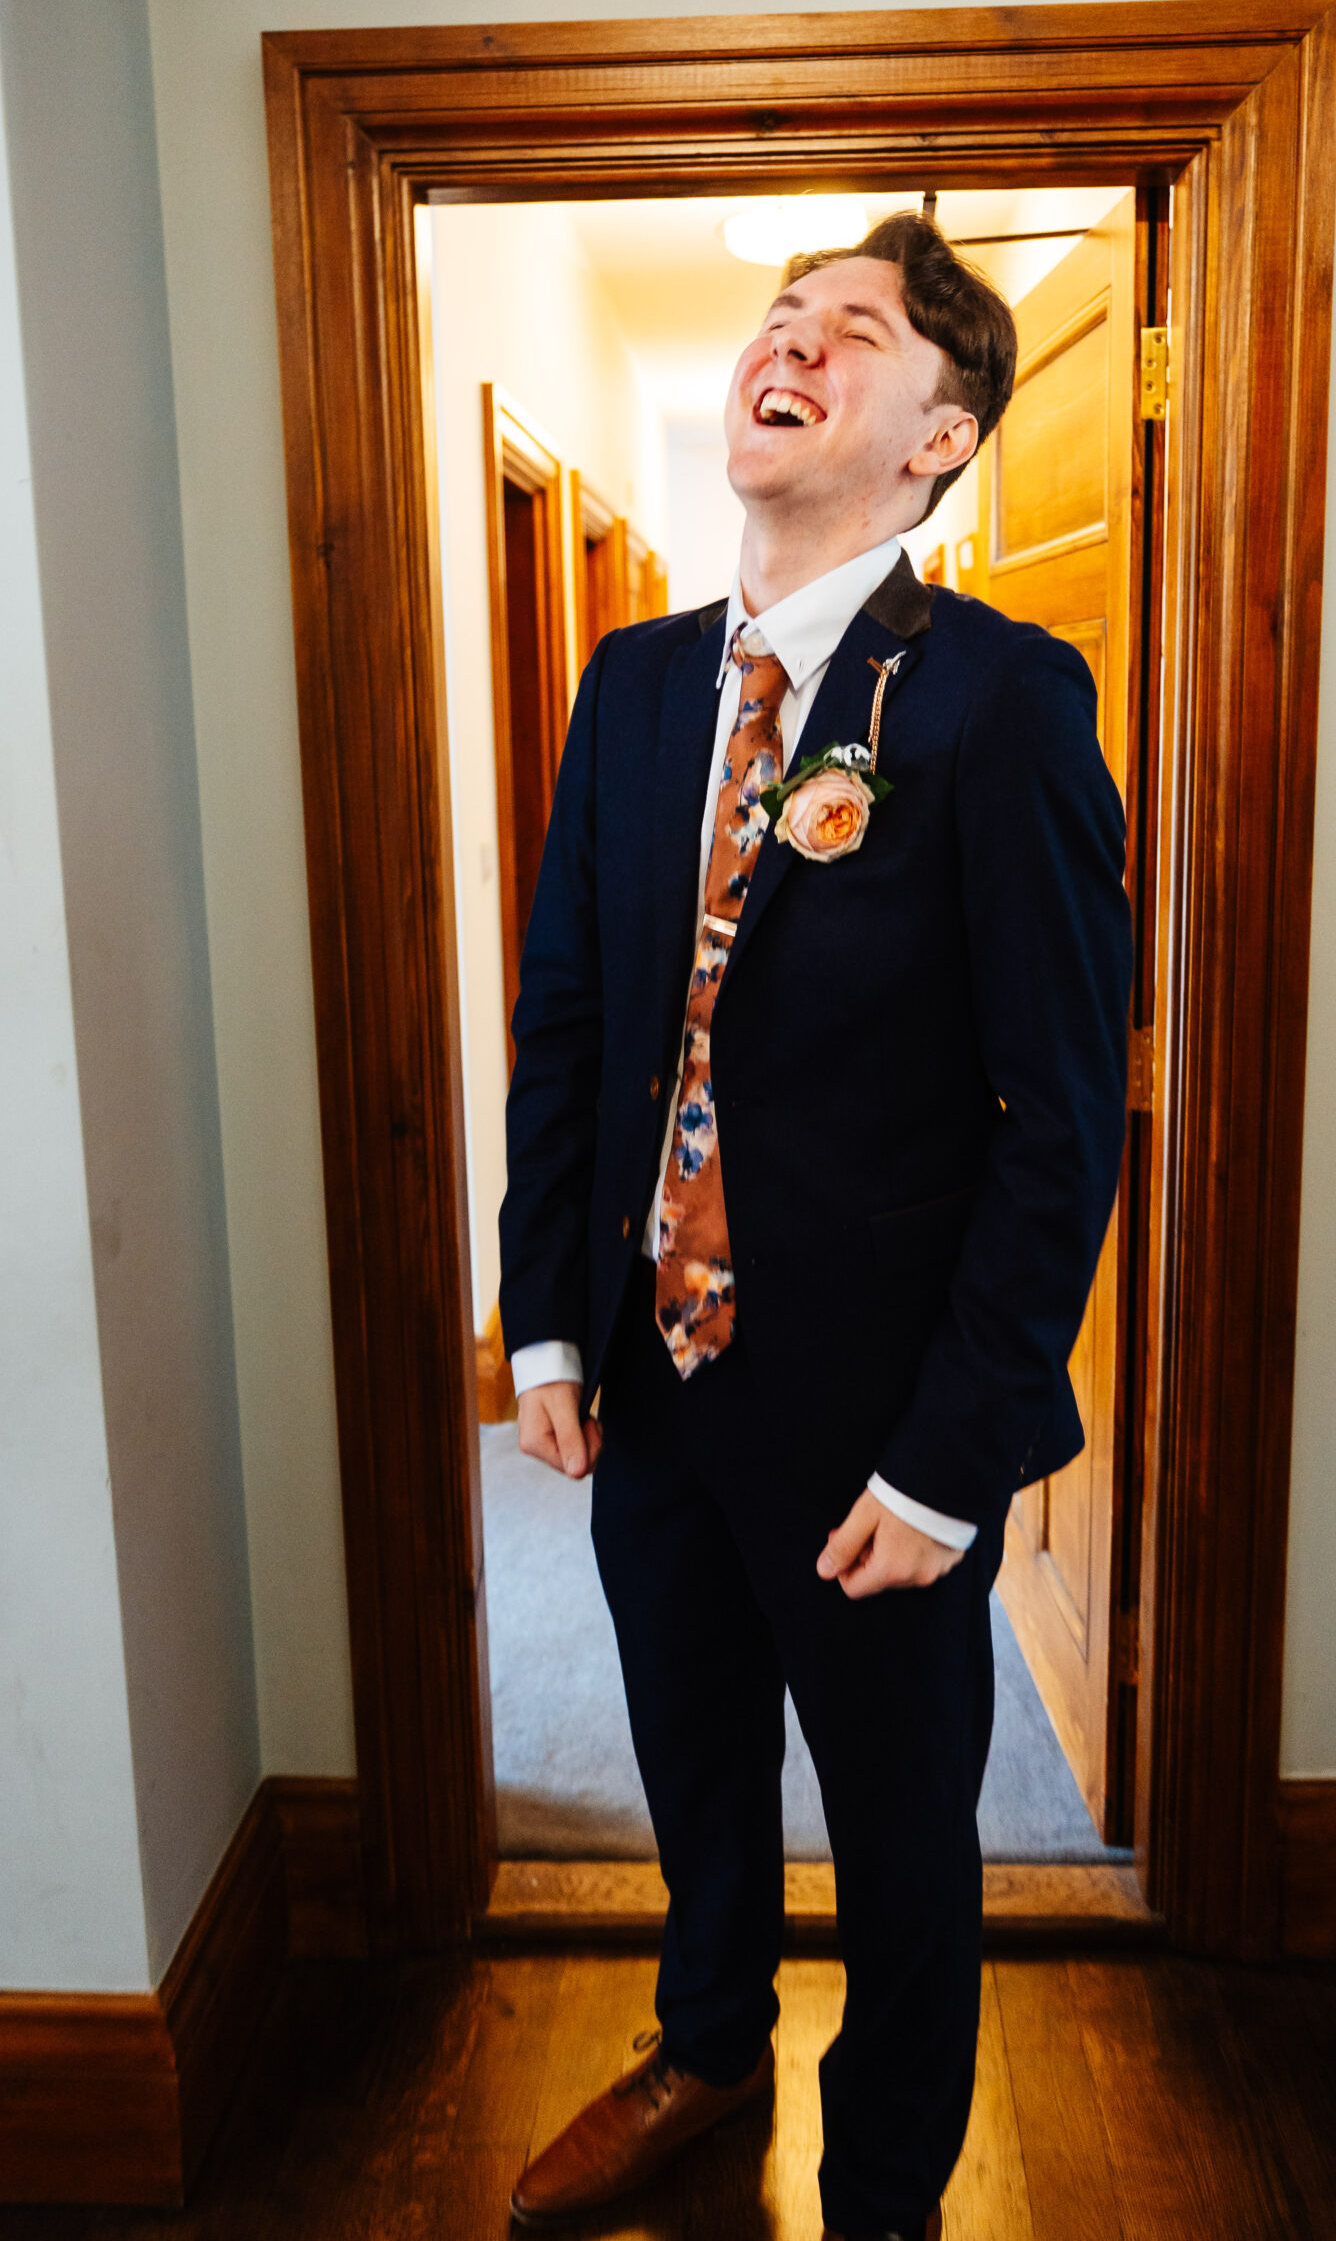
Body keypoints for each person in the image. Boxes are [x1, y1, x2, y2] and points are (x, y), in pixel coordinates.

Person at [497, 213, 1131, 2240]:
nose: (788, 344)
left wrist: (955, 1464)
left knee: (902, 1852)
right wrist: (542, 1326)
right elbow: (574, 1022)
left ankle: (878, 2194)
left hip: (881, 1434)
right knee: (688, 1765)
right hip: (648, 1383)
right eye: (778, 321)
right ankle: (700, 2052)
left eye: (847, 334)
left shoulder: (998, 705)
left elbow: (1059, 1114)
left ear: (933, 439)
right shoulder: (628, 682)